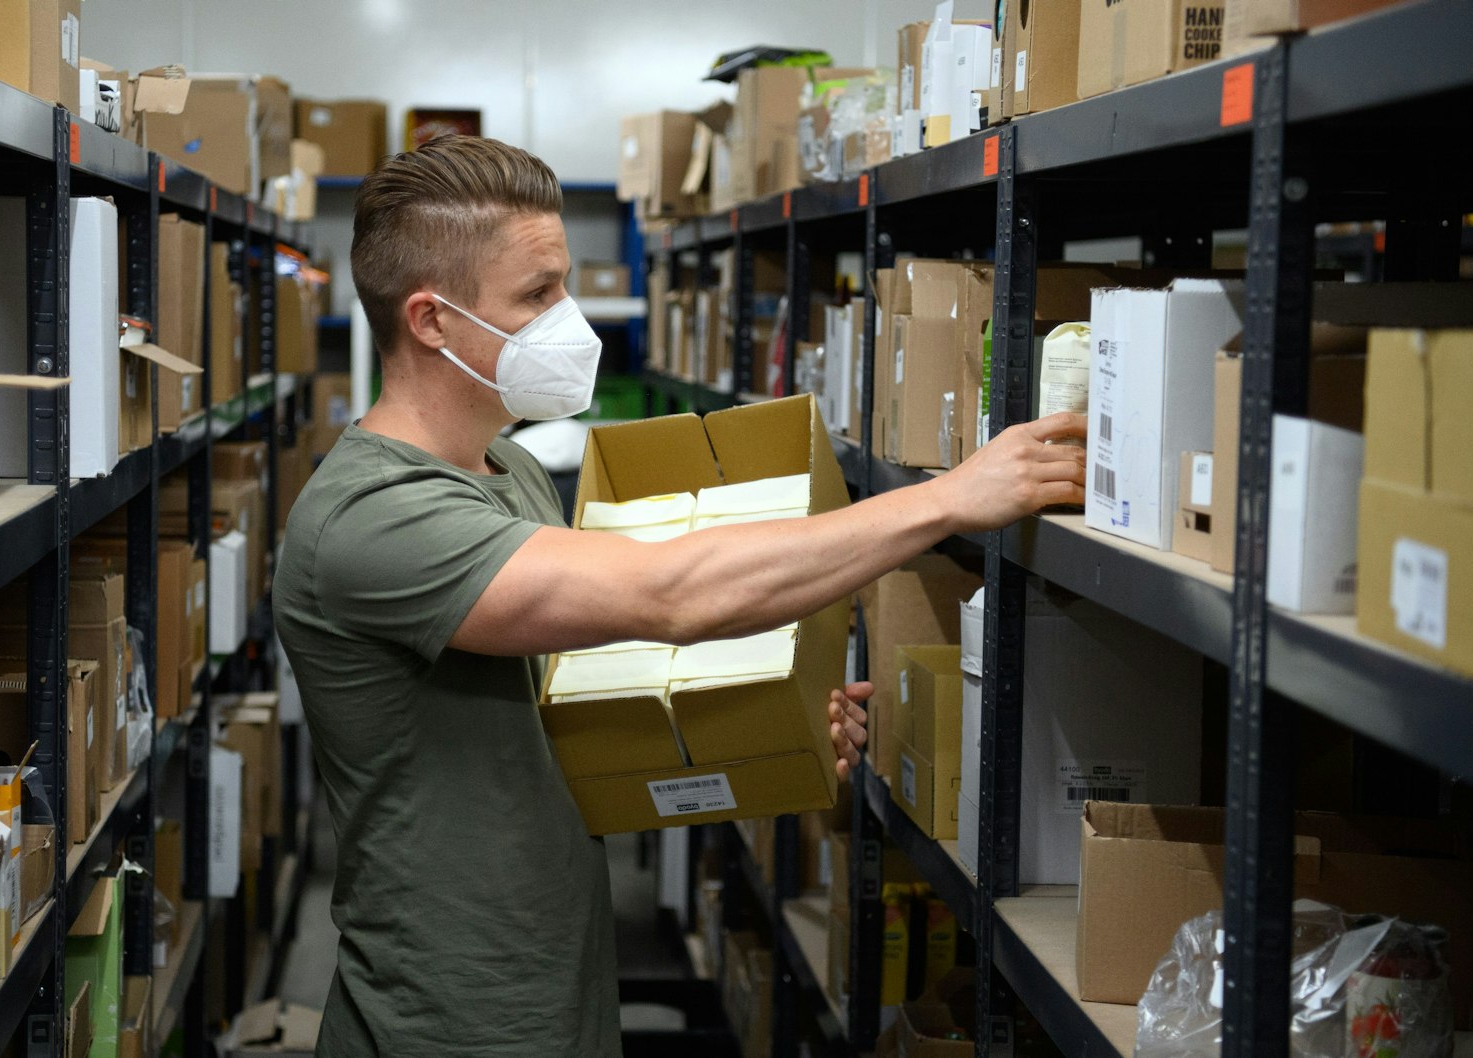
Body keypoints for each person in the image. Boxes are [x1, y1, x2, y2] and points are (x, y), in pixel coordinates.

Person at [272, 136, 1085, 1057]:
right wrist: (945, 500)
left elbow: (569, 723)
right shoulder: (373, 516)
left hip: (557, 983)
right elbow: (672, 595)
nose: (568, 320)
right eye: (537, 295)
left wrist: (765, 733)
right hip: (448, 1016)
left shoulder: (505, 469)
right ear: (431, 320)